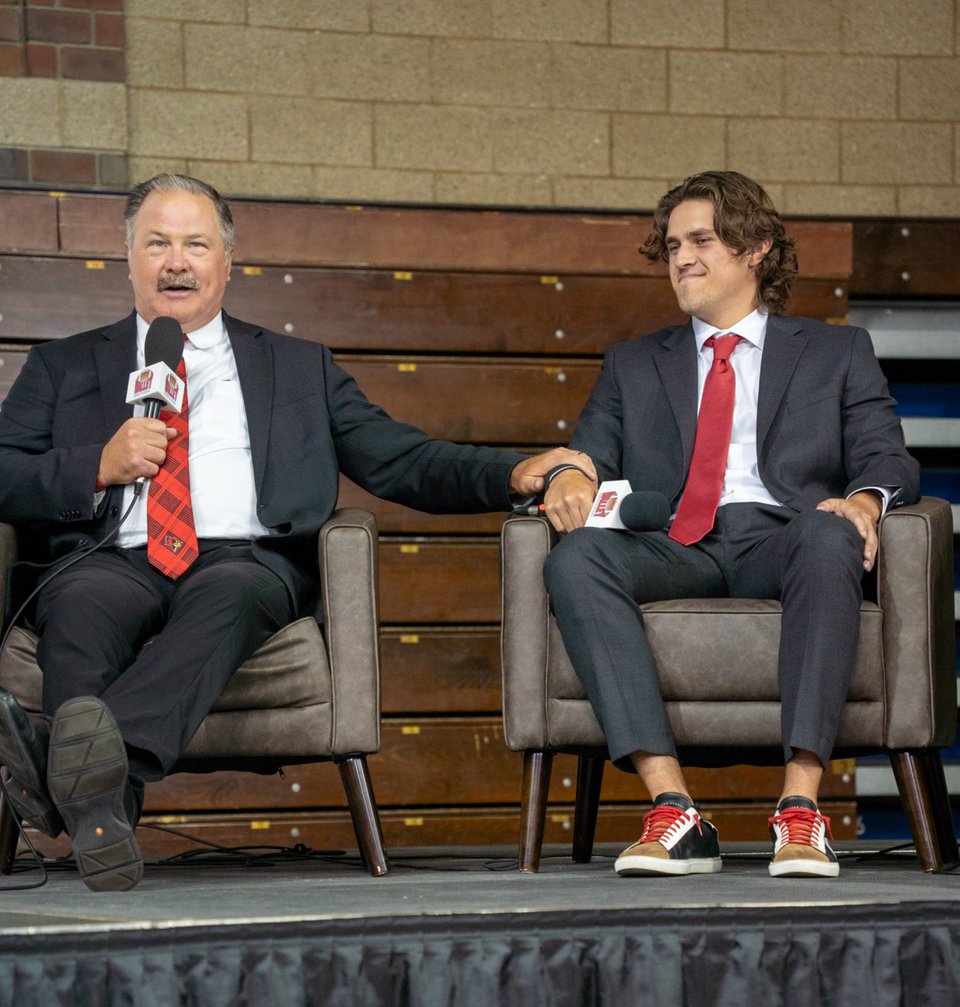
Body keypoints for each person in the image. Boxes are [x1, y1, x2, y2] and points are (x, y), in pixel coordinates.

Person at [0, 173, 594, 892]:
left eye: (195, 244)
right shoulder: (64, 365)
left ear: (227, 263)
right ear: (128, 259)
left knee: (233, 591)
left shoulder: (296, 366)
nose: (176, 262)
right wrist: (93, 464)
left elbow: (401, 459)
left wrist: (516, 471)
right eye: (157, 244)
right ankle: (103, 812)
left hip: (241, 560)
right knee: (81, 605)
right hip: (111, 556)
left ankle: (78, 768)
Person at [539, 170, 919, 880]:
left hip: (785, 537)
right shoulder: (633, 362)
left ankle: (801, 808)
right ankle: (673, 807)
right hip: (676, 542)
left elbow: (884, 456)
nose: (681, 257)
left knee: (830, 530)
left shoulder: (836, 352)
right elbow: (587, 452)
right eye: (674, 244)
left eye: (702, 241)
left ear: (757, 249)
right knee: (575, 558)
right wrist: (568, 473)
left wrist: (866, 501)